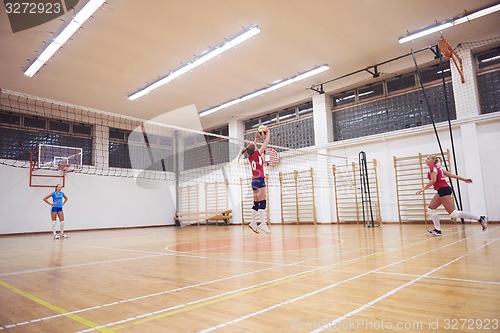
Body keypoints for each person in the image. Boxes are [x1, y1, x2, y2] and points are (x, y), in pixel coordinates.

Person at [416, 155, 487, 236]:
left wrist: (423, 188)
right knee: (431, 209)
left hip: (444, 190)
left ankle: (480, 218)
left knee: (453, 213)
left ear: (433, 160)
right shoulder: (438, 168)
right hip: (442, 190)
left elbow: (433, 180)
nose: (426, 160)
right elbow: (451, 175)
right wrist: (464, 179)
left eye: (428, 158)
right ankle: (437, 230)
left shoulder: (432, 167)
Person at [240, 128, 271, 234]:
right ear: (254, 150)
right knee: (262, 203)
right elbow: (266, 142)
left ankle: (253, 223)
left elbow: (251, 147)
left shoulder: (250, 156)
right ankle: (263, 223)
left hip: (254, 181)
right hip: (260, 180)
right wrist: (268, 133)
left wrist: (256, 139)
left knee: (256, 203)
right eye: (256, 147)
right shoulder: (258, 153)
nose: (257, 147)